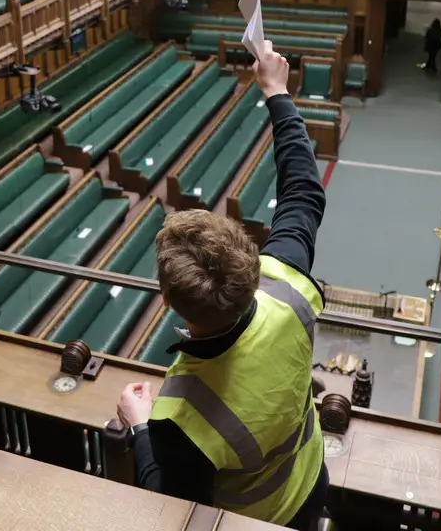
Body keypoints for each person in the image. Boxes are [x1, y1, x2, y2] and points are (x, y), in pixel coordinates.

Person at [116, 40, 328, 529]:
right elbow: (303, 191)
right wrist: (277, 91)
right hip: (311, 481)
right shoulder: (288, 285)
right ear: (250, 259)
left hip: (252, 521)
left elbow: (172, 507)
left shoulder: (179, 415)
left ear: (167, 301)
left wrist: (142, 428)